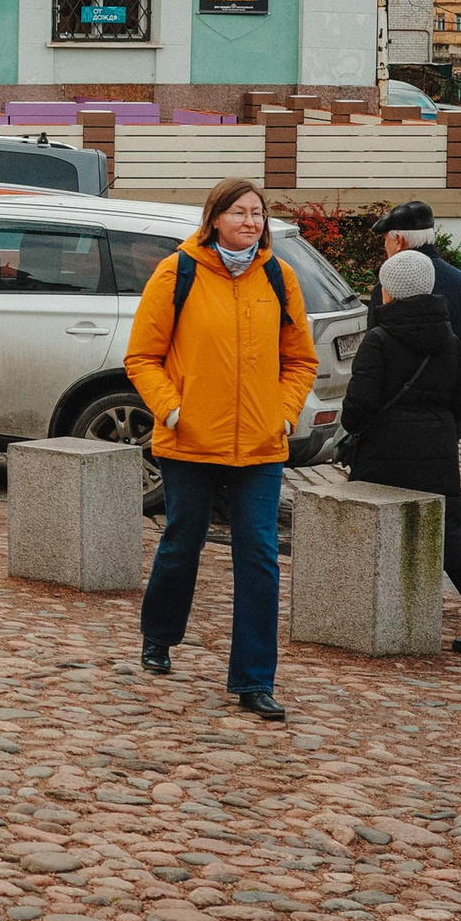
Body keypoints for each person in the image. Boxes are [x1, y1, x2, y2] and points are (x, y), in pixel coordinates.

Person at [125, 176, 317, 723]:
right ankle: (159, 635)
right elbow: (142, 357)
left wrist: (280, 414)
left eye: (258, 213)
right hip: (190, 442)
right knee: (183, 539)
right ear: (214, 220)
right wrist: (174, 410)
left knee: (258, 556)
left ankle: (254, 680)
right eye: (239, 212)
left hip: (260, 445)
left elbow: (301, 360)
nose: (251, 222)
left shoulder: (278, 277)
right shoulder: (177, 272)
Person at [344, 249, 461, 654]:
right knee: (451, 531)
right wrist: (439, 425)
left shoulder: (380, 339)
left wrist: (358, 430)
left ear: (388, 291)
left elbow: (359, 405)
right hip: (437, 449)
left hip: (384, 451)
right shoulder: (447, 338)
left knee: (370, 523)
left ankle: (368, 613)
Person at [373, 199, 461, 619]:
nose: (385, 247)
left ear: (398, 240)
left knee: (439, 498)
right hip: (446, 410)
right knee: (443, 490)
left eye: (386, 239)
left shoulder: (393, 283)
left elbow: (378, 351)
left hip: (398, 416)